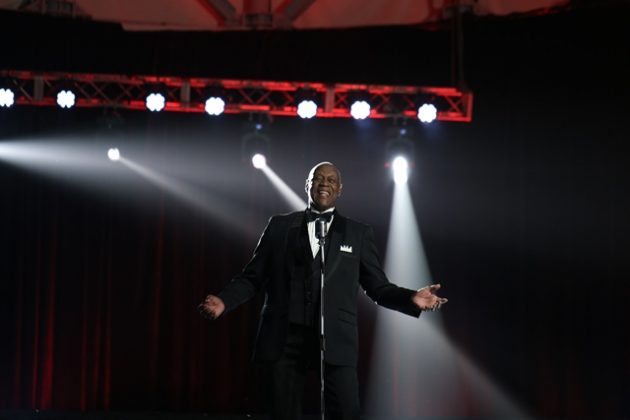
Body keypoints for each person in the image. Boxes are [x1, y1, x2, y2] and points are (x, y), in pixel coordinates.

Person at [199, 162, 447, 420]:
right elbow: (253, 277)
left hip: (336, 338)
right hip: (284, 337)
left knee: (346, 411)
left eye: (331, 180)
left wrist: (410, 298)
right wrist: (224, 301)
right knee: (281, 413)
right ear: (308, 185)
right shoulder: (279, 226)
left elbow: (378, 288)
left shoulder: (357, 233)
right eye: (318, 178)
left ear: (340, 189)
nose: (324, 183)